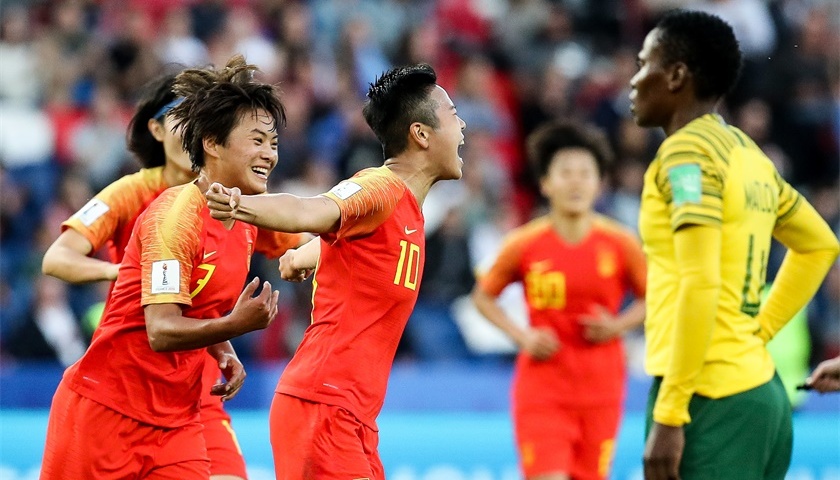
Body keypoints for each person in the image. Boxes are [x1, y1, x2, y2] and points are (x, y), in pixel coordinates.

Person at [39, 55, 303, 480]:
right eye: (257, 141)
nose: (269, 155)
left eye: (273, 143)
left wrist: (223, 349)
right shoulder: (167, 211)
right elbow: (160, 330)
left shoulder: (245, 216)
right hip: (109, 409)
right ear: (211, 142)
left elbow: (202, 302)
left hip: (180, 414)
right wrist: (234, 325)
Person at [205, 63, 466, 479]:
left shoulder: (406, 213)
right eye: (453, 114)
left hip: (354, 418)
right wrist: (238, 205)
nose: (463, 125)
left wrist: (299, 258)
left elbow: (348, 245)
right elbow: (312, 210)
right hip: (323, 406)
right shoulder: (380, 187)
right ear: (421, 134)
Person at [629, 10, 840, 480]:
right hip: (761, 393)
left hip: (708, 401)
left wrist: (670, 412)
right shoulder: (748, 154)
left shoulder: (686, 154)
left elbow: (700, 281)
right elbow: (820, 245)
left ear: (676, 76)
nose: (634, 79)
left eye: (644, 64)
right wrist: (758, 334)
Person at [471, 121, 647, 480]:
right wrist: (523, 337)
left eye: (585, 173)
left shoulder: (621, 243)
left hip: (602, 389)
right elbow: (483, 298)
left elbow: (654, 298)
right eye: (565, 173)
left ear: (600, 183)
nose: (575, 182)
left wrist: (618, 325)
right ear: (545, 183)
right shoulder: (524, 244)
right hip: (543, 389)